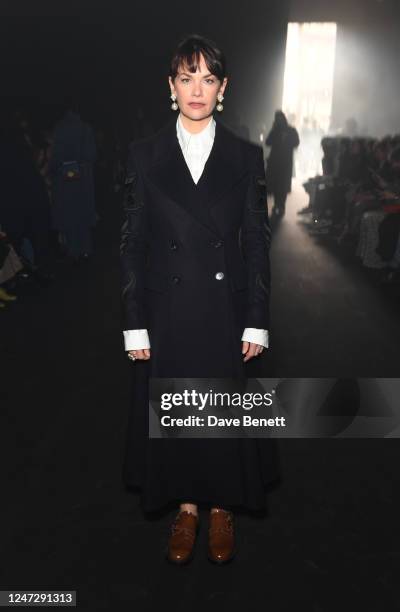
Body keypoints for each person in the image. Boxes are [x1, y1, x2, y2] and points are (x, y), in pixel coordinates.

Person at [120, 34, 276, 565]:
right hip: (168, 312)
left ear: (223, 88)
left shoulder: (247, 156)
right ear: (171, 86)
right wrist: (133, 320)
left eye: (208, 78)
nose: (197, 89)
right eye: (187, 78)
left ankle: (222, 507)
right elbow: (131, 242)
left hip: (224, 309)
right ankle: (186, 509)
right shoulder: (143, 155)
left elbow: (257, 241)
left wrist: (256, 319)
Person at [49, 103, 97, 264]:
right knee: (83, 213)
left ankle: (73, 251)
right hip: (83, 178)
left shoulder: (59, 129)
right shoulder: (86, 128)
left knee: (69, 214)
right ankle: (86, 250)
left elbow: (55, 158)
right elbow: (92, 154)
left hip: (65, 178)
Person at [265, 110, 300, 216]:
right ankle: (277, 205)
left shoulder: (292, 130)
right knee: (276, 185)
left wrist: (287, 142)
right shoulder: (274, 131)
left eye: (281, 119)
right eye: (277, 119)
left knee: (283, 185)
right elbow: (267, 142)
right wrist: (273, 130)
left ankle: (281, 206)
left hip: (285, 162)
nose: (279, 121)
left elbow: (296, 143)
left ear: (284, 119)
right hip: (275, 162)